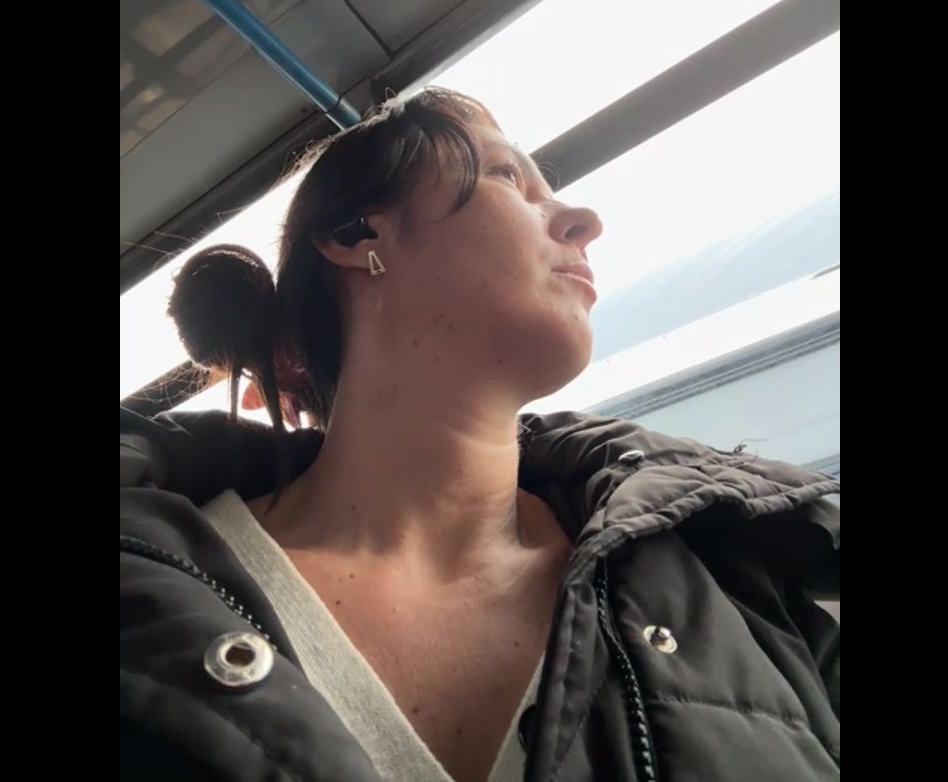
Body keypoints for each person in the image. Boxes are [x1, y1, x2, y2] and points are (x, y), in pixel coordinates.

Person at [120, 87, 840, 781]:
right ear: (356, 234)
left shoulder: (727, 573)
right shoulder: (142, 589)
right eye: (508, 177)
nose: (583, 219)